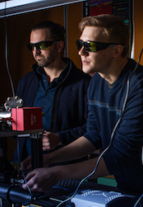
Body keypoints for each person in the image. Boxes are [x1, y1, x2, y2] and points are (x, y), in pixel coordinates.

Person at [22, 15, 143, 194]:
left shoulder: (141, 87)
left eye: (90, 46)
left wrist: (56, 174)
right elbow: (93, 136)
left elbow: (121, 156)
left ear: (116, 51)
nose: (80, 52)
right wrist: (50, 159)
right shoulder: (96, 82)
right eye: (80, 44)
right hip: (128, 183)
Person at [16, 21, 90, 162]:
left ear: (59, 46)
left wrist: (60, 138)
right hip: (27, 165)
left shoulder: (84, 83)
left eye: (41, 46)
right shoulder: (26, 82)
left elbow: (93, 128)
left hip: (65, 170)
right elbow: (17, 127)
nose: (35, 51)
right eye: (32, 46)